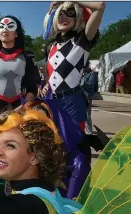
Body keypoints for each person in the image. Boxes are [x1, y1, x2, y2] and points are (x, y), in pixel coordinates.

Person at [41, 1, 105, 132]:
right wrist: (47, 85)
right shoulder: (51, 46)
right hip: (51, 101)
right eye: (61, 14)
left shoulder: (82, 41)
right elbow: (53, 72)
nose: (64, 17)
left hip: (72, 101)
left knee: (73, 144)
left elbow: (99, 6)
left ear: (78, 19)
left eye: (71, 14)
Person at [0, 16, 39, 127]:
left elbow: (32, 88)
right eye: (2, 26)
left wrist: (21, 108)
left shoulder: (27, 57)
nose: (5, 29)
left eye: (10, 26)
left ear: (16, 34)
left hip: (19, 108)